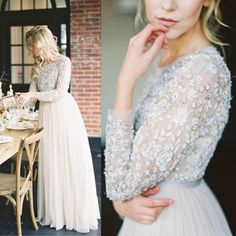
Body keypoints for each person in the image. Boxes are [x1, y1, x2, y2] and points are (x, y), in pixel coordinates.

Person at [105, 0, 233, 235]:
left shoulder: (201, 72)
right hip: (151, 213)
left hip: (172, 218)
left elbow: (119, 187)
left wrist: (125, 81)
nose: (167, 5)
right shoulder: (168, 56)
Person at [17, 25, 100, 233]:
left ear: (42, 42)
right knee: (51, 161)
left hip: (64, 114)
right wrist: (13, 100)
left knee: (68, 161)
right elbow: (31, 97)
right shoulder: (36, 66)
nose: (30, 48)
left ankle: (72, 211)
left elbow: (59, 92)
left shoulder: (64, 62)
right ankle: (55, 212)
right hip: (46, 116)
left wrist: (32, 96)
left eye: (32, 44)